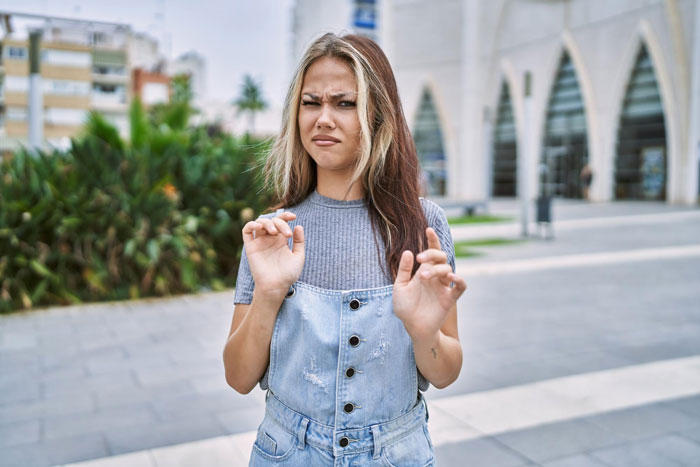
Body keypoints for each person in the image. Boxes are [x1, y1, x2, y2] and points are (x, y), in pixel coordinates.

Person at [223, 32, 467, 466]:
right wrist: (268, 294)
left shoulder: (423, 224)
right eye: (311, 102)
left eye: (344, 103)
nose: (323, 118)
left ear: (378, 115)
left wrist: (424, 330)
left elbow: (445, 372)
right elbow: (239, 377)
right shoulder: (275, 233)